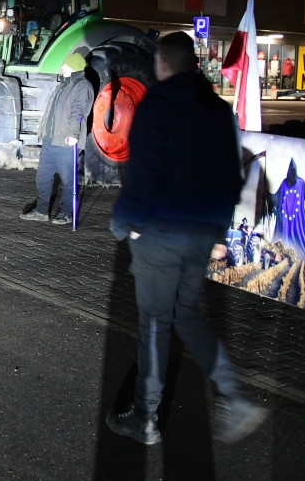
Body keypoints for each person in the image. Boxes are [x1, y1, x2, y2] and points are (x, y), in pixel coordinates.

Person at [106, 31, 268, 446]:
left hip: (159, 233)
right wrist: (216, 233)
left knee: (155, 325)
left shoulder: (156, 107)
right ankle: (233, 395)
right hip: (199, 235)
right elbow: (230, 179)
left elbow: (144, 173)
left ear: (162, 64)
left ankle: (145, 417)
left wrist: (126, 223)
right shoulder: (218, 111)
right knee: (188, 316)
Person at [20, 52, 93, 225]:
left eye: (65, 65)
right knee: (43, 177)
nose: (62, 68)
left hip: (66, 142)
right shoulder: (62, 86)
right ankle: (41, 211)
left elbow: (78, 111)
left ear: (73, 67)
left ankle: (66, 213)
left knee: (68, 180)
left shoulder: (82, 86)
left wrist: (73, 135)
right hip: (51, 140)